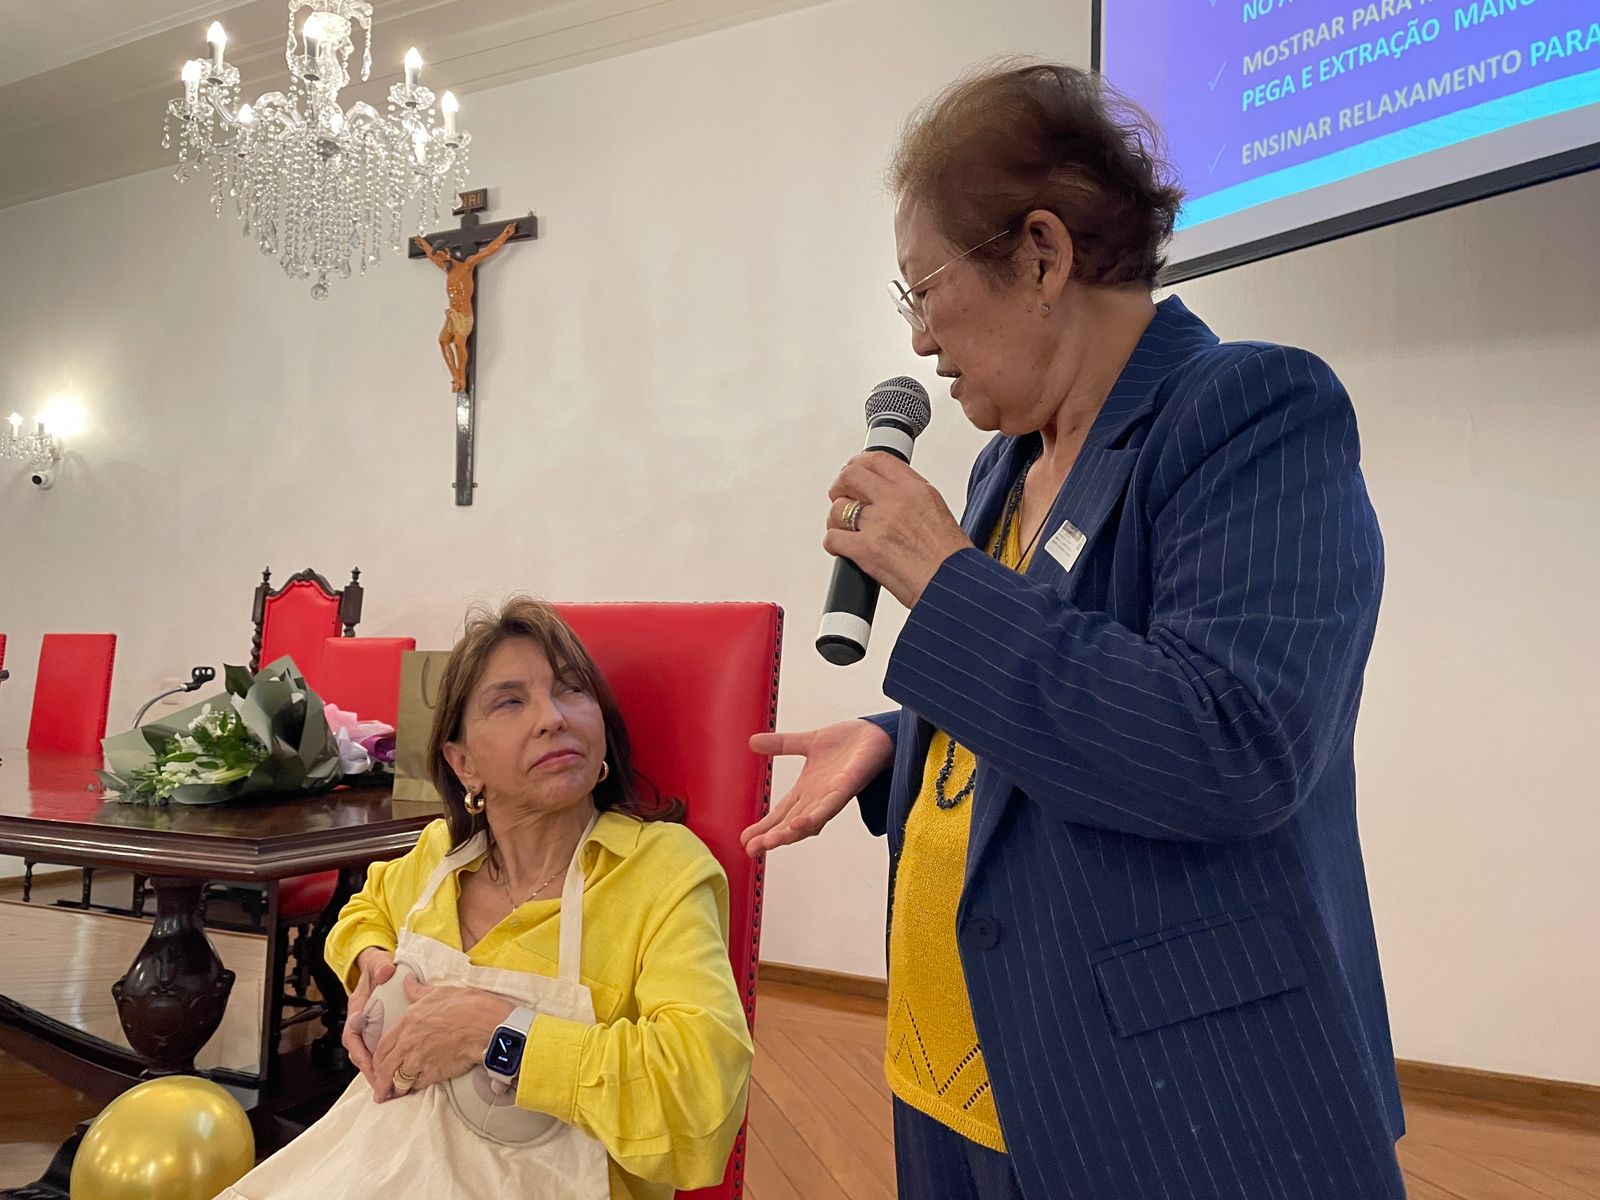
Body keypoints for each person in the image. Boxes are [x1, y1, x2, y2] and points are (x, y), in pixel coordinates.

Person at [743, 60, 1405, 1200]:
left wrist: (940, 576)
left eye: (923, 290)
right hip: (959, 1068)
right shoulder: (1004, 463)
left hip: (1164, 1103)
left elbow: (1229, 742)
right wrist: (897, 741)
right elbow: (1059, 690)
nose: (919, 342)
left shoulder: (1248, 410)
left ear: (1042, 256)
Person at [220, 597, 753, 1200]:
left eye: (572, 690)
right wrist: (369, 961)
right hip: (370, 1162)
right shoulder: (440, 855)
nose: (552, 717)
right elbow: (363, 912)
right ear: (463, 762)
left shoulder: (658, 870)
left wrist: (499, 1034)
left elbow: (701, 1097)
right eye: (510, 701)